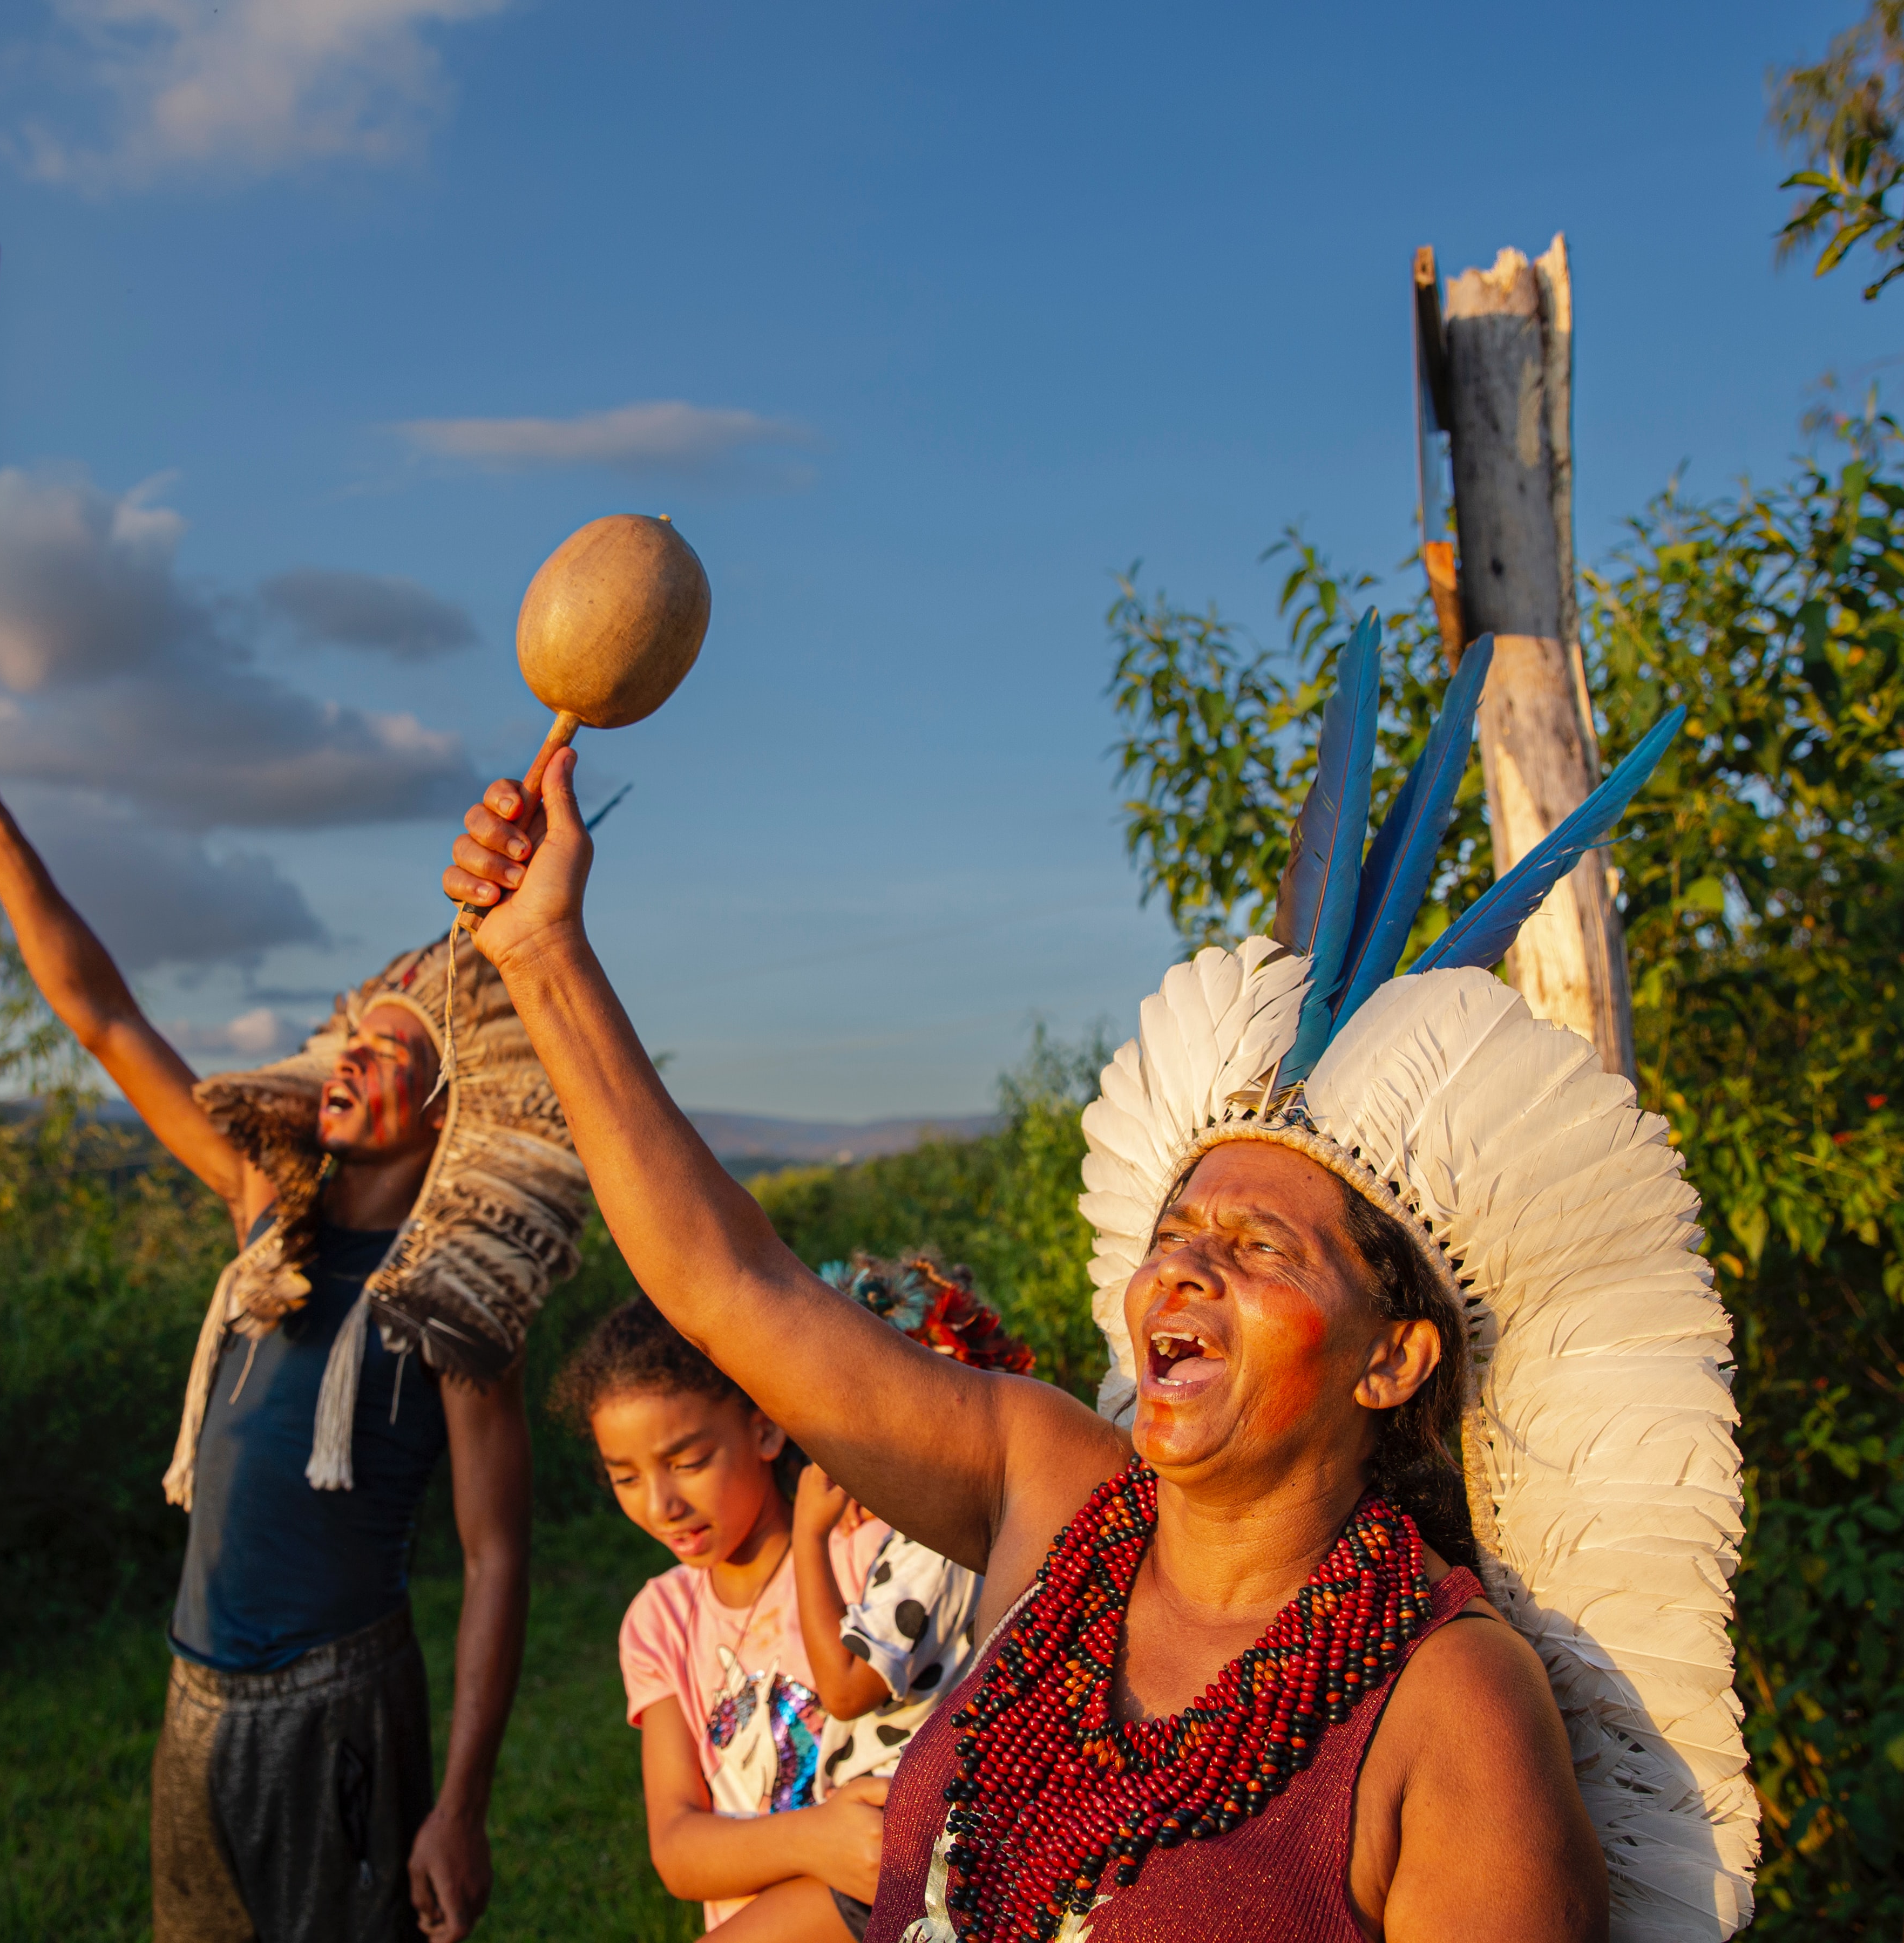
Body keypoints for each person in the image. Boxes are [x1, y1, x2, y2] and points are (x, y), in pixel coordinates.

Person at [440, 625, 1757, 1941]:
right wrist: (544, 954)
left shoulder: (1449, 1705)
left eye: (1258, 1248)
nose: (1180, 1265)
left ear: (1392, 1357)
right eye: (1175, 1232)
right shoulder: (1053, 1490)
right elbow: (735, 1291)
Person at [0, 741, 591, 1943]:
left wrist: (461, 1807)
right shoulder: (261, 1217)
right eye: (355, 1041)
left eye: (396, 1055)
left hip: (337, 1707)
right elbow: (104, 1016)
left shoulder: (452, 1308)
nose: (356, 1059)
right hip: (196, 1694)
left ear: (454, 1114)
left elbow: (497, 1562)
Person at [552, 1295, 894, 1941]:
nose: (662, 1506)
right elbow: (679, 1849)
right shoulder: (660, 1622)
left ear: (764, 1429)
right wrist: (815, 1840)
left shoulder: (857, 1555)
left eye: (687, 1463)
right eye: (624, 1477)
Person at [792, 1256, 1028, 1795]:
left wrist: (806, 1537)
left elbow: (847, 1688)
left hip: (894, 1815)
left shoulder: (935, 1540)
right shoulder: (981, 1517)